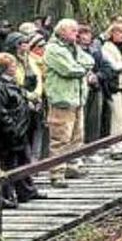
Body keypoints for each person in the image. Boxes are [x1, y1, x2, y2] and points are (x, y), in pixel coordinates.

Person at [0, 53, 42, 207]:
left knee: (23, 160)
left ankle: (26, 191)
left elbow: (24, 94)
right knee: (7, 163)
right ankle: (5, 197)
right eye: (12, 65)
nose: (15, 67)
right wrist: (12, 128)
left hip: (19, 130)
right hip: (5, 133)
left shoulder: (12, 83)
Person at [43, 19, 94, 187]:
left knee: (76, 137)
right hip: (62, 100)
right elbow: (69, 70)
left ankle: (72, 166)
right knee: (60, 138)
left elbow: (89, 60)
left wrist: (81, 66)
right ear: (62, 31)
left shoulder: (74, 48)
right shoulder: (53, 49)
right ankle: (56, 173)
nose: (76, 34)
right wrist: (82, 68)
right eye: (72, 30)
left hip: (78, 99)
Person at [100, 22, 122, 158]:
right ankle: (115, 147)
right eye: (119, 32)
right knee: (117, 116)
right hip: (114, 86)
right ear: (112, 33)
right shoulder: (106, 48)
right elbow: (114, 66)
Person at [78, 25, 105, 160]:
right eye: (83, 34)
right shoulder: (73, 52)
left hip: (95, 88)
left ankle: (93, 149)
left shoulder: (96, 52)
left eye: (88, 34)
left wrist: (97, 76)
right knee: (81, 121)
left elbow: (106, 69)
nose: (86, 37)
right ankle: (80, 150)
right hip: (80, 89)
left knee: (94, 120)